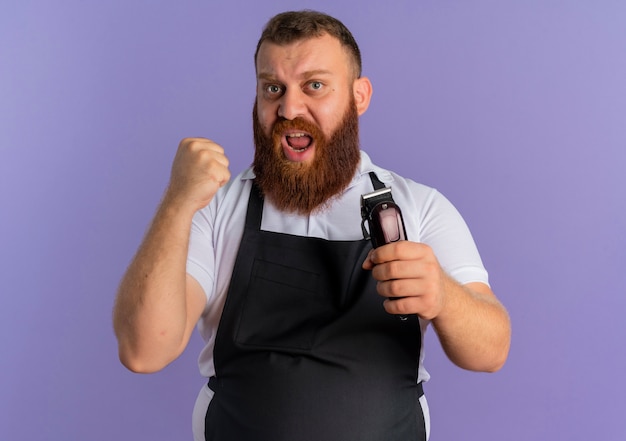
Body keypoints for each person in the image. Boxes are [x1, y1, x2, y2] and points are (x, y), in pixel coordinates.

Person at [113, 10, 511, 441]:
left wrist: (444, 296)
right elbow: (144, 350)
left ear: (360, 96)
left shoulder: (419, 208)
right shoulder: (215, 207)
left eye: (314, 86)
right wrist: (177, 201)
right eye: (273, 88)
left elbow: (490, 352)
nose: (289, 107)